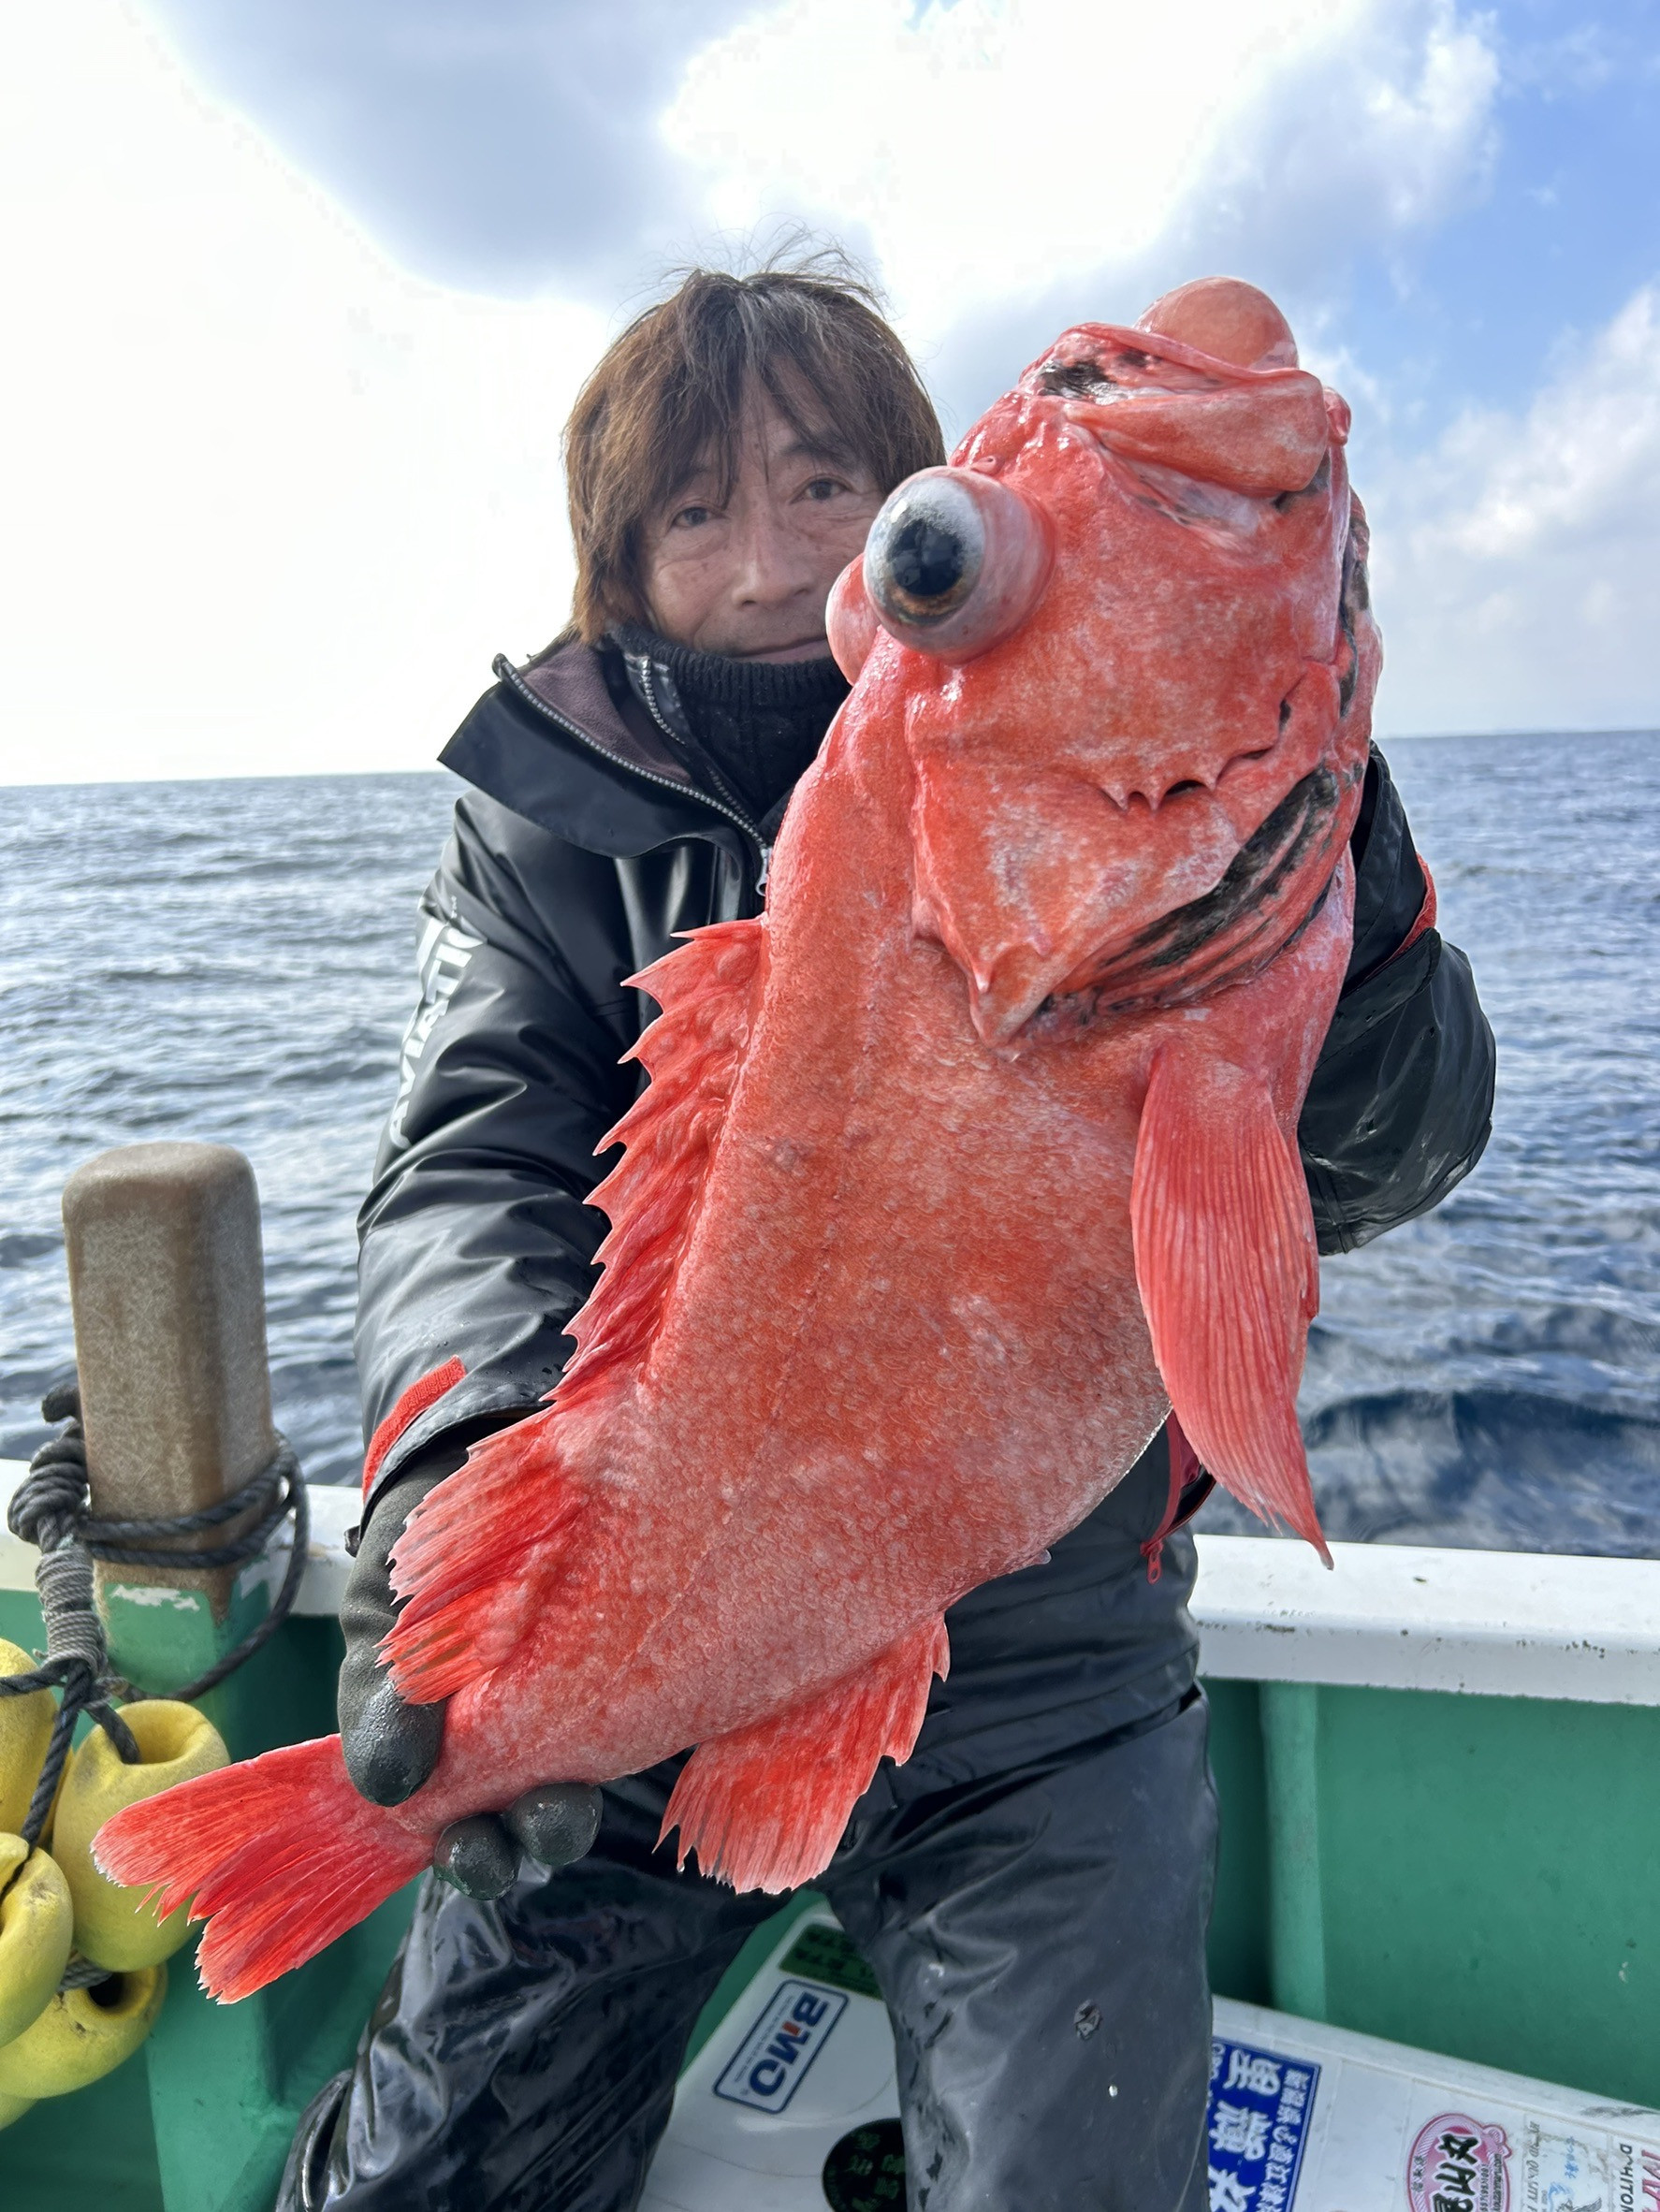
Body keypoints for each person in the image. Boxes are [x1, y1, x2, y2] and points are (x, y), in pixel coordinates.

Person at [279, 255, 1495, 2212]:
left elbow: (1391, 1151)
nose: (765, 559)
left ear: (909, 515)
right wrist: (451, 1508)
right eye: (693, 509)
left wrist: (1328, 878)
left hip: (1039, 1656)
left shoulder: (1175, 810)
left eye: (826, 488)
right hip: (674, 1610)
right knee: (427, 2176)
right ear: (614, 560)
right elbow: (471, 1168)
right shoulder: (538, 825)